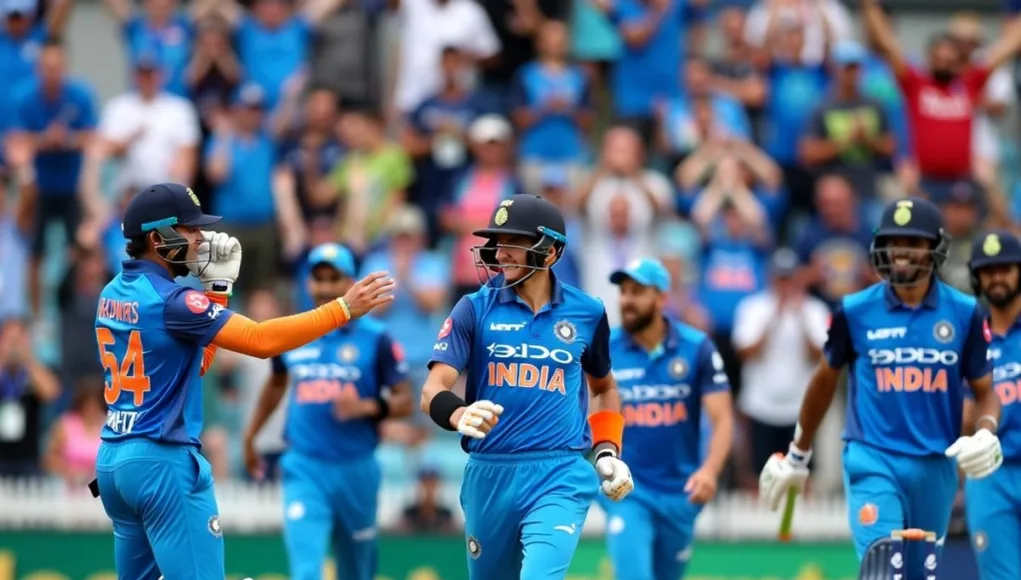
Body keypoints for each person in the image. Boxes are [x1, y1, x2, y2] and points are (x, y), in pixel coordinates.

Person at [92, 183, 394, 580]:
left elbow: (193, 365)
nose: (201, 240)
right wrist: (341, 308)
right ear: (157, 237)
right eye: (189, 230)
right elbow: (261, 341)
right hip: (160, 462)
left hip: (114, 464)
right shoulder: (174, 302)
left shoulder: (112, 292)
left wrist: (216, 291)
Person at [758, 197, 1002, 580]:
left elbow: (985, 390)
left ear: (935, 247)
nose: (900, 253)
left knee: (920, 576)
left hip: (936, 466)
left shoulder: (964, 311)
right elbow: (824, 381)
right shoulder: (854, 310)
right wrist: (797, 455)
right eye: (892, 242)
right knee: (883, 569)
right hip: (872, 459)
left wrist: (986, 430)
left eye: (913, 243)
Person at [421, 194, 634, 580]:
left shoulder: (588, 312)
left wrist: (606, 450)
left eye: (514, 242)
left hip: (560, 472)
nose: (501, 254)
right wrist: (458, 413)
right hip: (490, 473)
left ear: (551, 251)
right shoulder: (473, 308)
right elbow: (432, 389)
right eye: (498, 242)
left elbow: (603, 388)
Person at [243, 242, 413, 580]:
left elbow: (406, 400)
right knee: (306, 571)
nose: (325, 288)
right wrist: (251, 436)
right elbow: (276, 383)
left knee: (357, 571)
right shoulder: (294, 331)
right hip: (305, 467)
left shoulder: (376, 337)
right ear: (308, 284)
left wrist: (367, 406)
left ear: (350, 282)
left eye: (334, 279)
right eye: (318, 279)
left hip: (357, 469)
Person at [603, 258, 734, 580]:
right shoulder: (606, 348)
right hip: (628, 490)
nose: (626, 300)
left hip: (681, 493)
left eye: (637, 292)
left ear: (662, 298)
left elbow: (723, 419)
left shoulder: (696, 347)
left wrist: (710, 471)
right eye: (622, 292)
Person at [964, 230, 1021, 580]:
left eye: (1005, 268)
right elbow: (964, 415)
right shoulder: (969, 336)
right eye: (987, 270)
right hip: (990, 476)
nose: (996, 277)